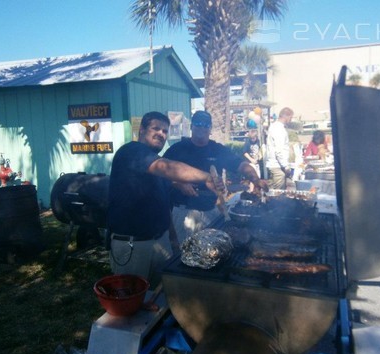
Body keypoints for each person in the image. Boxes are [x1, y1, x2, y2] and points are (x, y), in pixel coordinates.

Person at [107, 111, 224, 288]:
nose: (161, 134)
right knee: (131, 298)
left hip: (160, 242)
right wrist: (207, 177)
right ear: (142, 130)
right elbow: (168, 167)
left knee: (163, 295)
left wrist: (173, 238)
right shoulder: (131, 152)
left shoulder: (155, 162)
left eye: (165, 131)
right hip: (133, 244)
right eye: (156, 128)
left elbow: (162, 203)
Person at [163, 110, 268, 243]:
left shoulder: (217, 150)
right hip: (184, 210)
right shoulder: (177, 149)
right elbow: (160, 175)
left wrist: (255, 179)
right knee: (185, 253)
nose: (202, 127)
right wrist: (178, 184)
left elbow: (241, 165)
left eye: (206, 124)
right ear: (191, 127)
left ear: (210, 128)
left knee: (213, 251)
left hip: (212, 210)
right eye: (198, 123)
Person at [265, 107, 294, 189]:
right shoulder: (279, 129)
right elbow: (279, 151)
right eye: (291, 118)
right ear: (286, 116)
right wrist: (286, 166)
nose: (290, 120)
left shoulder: (274, 126)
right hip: (278, 167)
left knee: (275, 193)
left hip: (276, 165)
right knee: (278, 196)